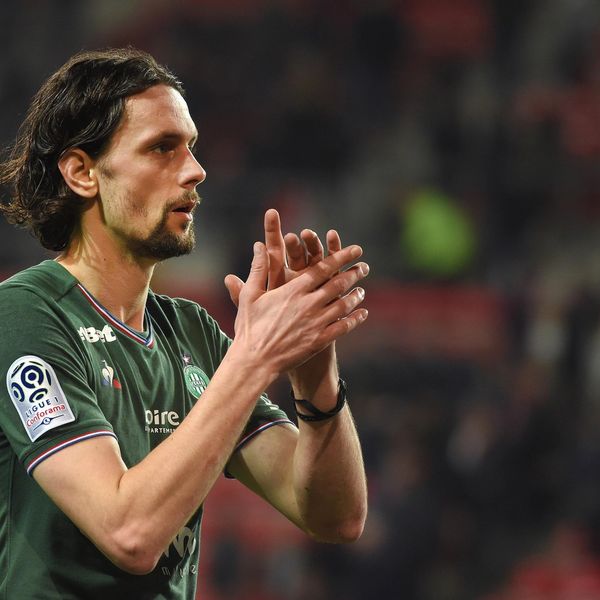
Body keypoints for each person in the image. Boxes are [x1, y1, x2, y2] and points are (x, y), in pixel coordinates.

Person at [0, 48, 369, 599]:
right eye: (161, 148)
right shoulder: (25, 315)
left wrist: (313, 370)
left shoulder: (190, 333)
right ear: (82, 172)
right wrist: (254, 357)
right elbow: (128, 533)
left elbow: (335, 517)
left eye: (191, 147)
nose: (195, 170)